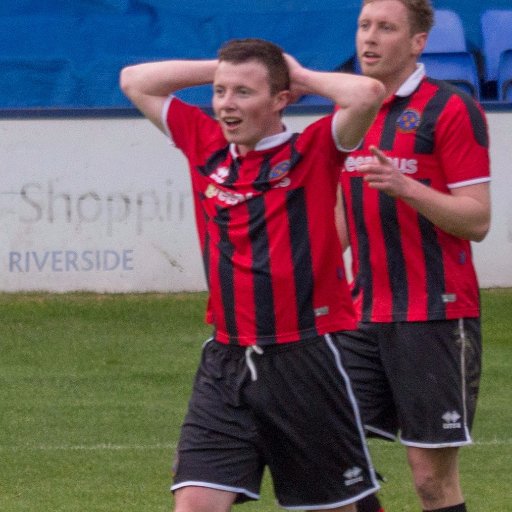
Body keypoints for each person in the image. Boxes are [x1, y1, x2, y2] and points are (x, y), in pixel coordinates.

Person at [120, 38, 386, 512]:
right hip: (226, 361)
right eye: (220, 93)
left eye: (243, 93)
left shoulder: (314, 150)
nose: (225, 105)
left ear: (280, 100)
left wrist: (293, 74)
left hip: (305, 359)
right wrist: (219, 70)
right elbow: (134, 80)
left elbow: (366, 94)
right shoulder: (205, 145)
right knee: (195, 505)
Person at [336, 2, 491, 512]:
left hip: (435, 314)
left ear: (418, 42)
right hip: (360, 314)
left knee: (430, 480)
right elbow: (338, 219)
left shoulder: (450, 109)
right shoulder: (349, 113)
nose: (369, 38)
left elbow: (476, 220)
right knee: (329, 451)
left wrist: (407, 187)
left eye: (386, 27)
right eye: (364, 26)